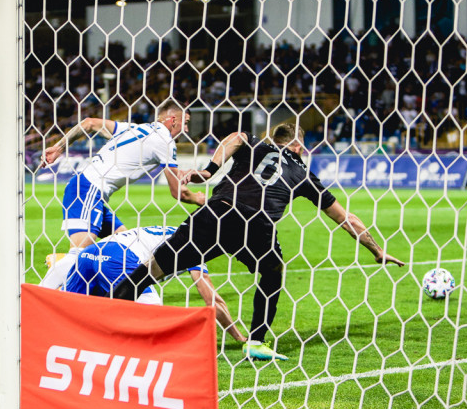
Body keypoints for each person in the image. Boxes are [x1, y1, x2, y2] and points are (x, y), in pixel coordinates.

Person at [111, 123, 405, 361]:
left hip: (217, 213)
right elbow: (345, 218)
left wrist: (208, 171)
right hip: (257, 227)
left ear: (272, 138)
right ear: (298, 146)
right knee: (272, 273)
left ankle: (103, 322)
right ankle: (256, 341)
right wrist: (377, 250)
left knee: (153, 269)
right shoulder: (303, 172)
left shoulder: (253, 143)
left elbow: (237, 136)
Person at [40, 100, 201, 287]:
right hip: (87, 190)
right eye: (186, 122)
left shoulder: (133, 128)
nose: (187, 130)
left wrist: (59, 148)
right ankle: (49, 285)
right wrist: (202, 200)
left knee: (126, 248)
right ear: (173, 120)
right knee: (78, 257)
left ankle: (112, 294)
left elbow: (89, 123)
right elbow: (178, 193)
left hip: (92, 193)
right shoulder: (164, 140)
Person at [40, 225, 246, 344]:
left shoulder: (175, 231)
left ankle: (35, 340)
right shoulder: (195, 247)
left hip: (90, 253)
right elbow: (212, 300)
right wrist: (239, 337)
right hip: (118, 258)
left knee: (65, 312)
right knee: (151, 319)